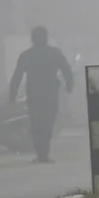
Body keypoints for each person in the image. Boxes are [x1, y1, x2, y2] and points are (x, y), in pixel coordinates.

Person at [8, 26, 74, 163]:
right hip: (50, 94)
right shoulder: (54, 53)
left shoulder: (27, 55)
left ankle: (41, 153)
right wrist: (69, 85)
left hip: (34, 96)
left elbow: (17, 76)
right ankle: (44, 152)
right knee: (48, 122)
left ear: (32, 39)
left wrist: (12, 95)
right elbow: (66, 70)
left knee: (36, 124)